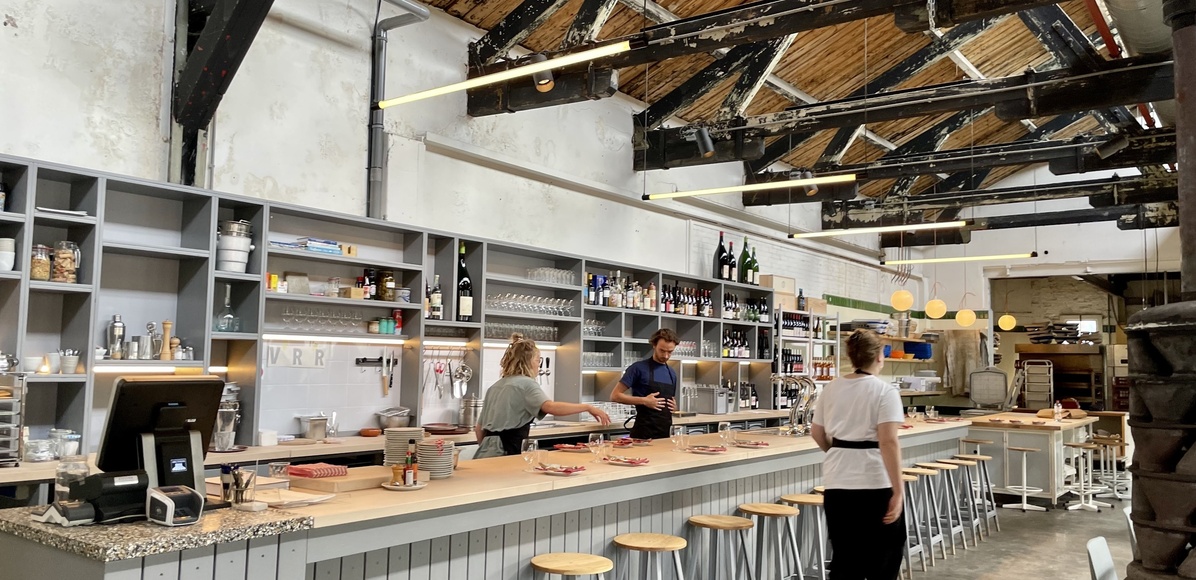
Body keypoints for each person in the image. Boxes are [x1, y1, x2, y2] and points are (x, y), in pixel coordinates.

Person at [811, 329, 906, 580]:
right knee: (883, 560)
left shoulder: (831, 388)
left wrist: (839, 451)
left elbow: (817, 432)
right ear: (879, 356)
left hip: (837, 482)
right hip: (874, 483)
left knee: (845, 559)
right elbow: (888, 442)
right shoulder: (885, 391)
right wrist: (898, 491)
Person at [474, 334, 611, 459]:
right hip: (508, 452)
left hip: (484, 453)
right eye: (537, 360)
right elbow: (551, 407)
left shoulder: (495, 386)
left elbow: (479, 429)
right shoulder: (527, 384)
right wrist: (587, 407)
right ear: (528, 361)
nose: (538, 366)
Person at [610, 328, 679, 439]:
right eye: (662, 351)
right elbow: (615, 396)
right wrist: (644, 401)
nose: (666, 356)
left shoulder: (672, 373)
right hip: (642, 435)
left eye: (670, 352)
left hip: (665, 435)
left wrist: (674, 407)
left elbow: (669, 404)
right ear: (654, 345)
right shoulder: (638, 368)